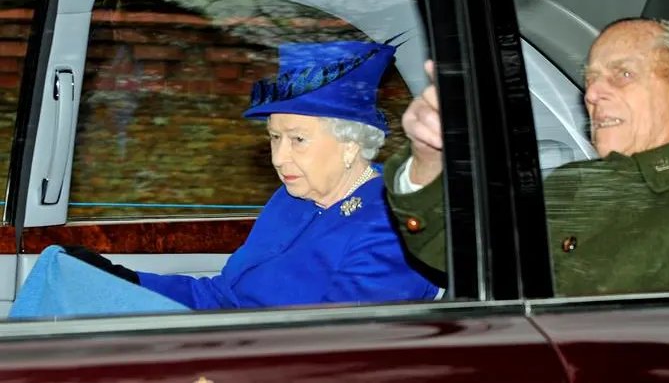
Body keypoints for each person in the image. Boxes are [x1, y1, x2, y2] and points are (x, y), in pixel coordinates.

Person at [384, 18, 669, 296]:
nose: (592, 94)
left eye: (622, 75)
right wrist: (429, 156)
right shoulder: (577, 181)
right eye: (590, 79)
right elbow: (460, 253)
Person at [61, 39, 441, 310]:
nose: (279, 157)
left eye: (298, 139)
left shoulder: (389, 223)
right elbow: (221, 297)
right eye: (274, 137)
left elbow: (337, 349)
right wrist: (124, 279)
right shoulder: (291, 200)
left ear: (351, 144)